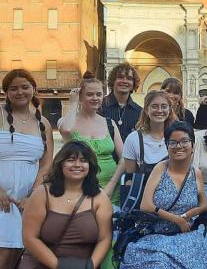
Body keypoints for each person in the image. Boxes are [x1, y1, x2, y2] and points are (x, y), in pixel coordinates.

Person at [121, 121, 207, 269]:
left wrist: (189, 214)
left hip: (186, 238)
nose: (179, 146)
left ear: (192, 145)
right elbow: (146, 205)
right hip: (156, 237)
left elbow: (204, 205)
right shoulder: (160, 168)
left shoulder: (196, 173)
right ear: (167, 146)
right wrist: (177, 220)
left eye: (184, 141)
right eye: (173, 142)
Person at [20, 140, 113, 269]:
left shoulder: (100, 198)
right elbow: (29, 238)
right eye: (71, 160)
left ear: (90, 165)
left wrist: (90, 265)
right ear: (60, 163)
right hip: (40, 264)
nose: (77, 164)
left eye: (83, 160)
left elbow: (105, 239)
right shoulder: (42, 194)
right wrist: (59, 265)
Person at [0, 69, 54, 268]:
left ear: (34, 89)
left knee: (18, 251)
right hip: (2, 200)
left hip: (27, 201)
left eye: (24, 87)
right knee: (4, 251)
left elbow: (46, 163)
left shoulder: (44, 123)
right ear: (6, 92)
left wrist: (33, 196)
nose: (19, 92)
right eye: (13, 88)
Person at [59, 73, 123, 205]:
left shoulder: (109, 123)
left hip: (110, 189)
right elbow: (65, 130)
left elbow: (123, 158)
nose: (95, 98)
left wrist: (111, 186)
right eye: (89, 94)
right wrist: (72, 103)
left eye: (99, 94)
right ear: (80, 96)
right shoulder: (68, 122)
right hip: (79, 187)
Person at [122, 90, 177, 178]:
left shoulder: (176, 136)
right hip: (144, 191)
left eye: (164, 106)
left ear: (169, 110)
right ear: (147, 110)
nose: (159, 110)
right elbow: (131, 177)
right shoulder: (133, 139)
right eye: (154, 106)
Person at [100, 62, 142, 140]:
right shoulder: (100, 107)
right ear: (113, 81)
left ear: (133, 83)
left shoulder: (139, 112)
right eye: (120, 77)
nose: (124, 81)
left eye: (129, 78)